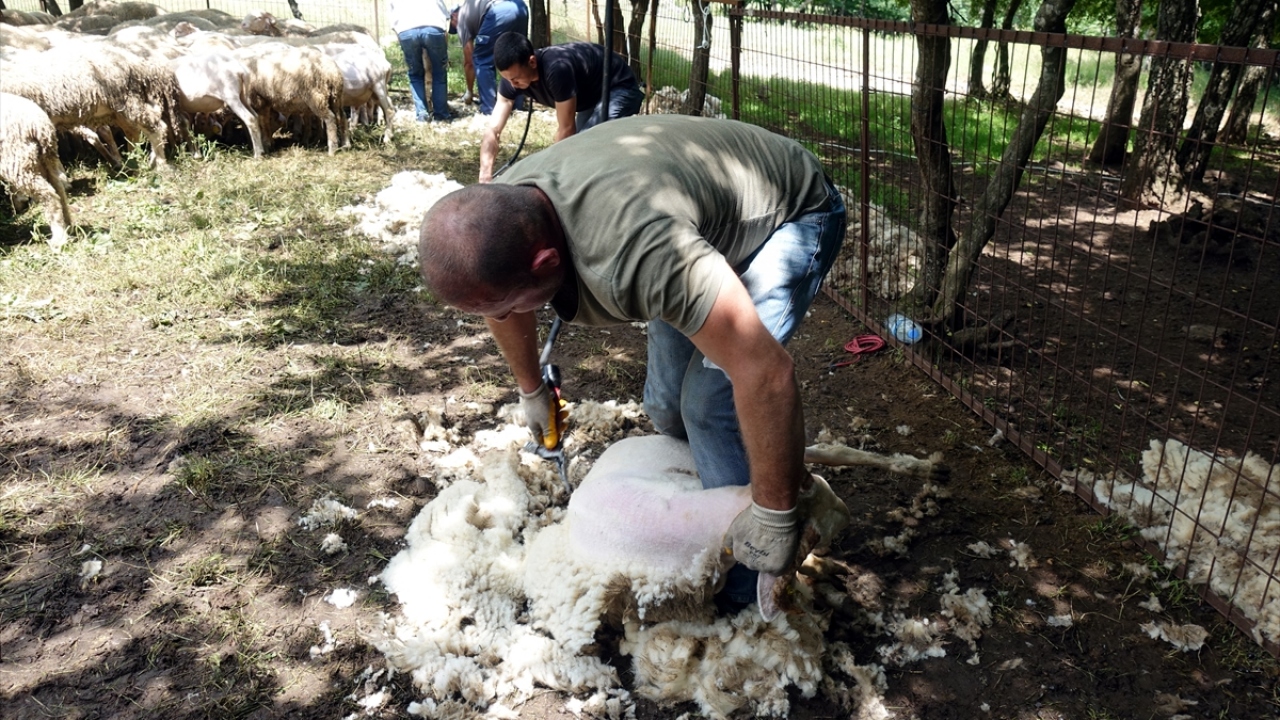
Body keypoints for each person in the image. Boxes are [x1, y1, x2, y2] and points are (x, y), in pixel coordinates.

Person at [418, 116, 847, 611]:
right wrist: (532, 389)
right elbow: (501, 303)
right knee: (666, 407)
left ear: (547, 265)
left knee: (710, 405)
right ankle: (723, 489)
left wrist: (774, 518)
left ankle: (744, 576)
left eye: (508, 306)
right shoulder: (503, 213)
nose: (503, 318)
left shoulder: (637, 257)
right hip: (688, 218)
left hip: (788, 210)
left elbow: (766, 373)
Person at [478, 33, 645, 182]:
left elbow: (566, 129)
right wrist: (485, 174)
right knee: (577, 148)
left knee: (584, 144)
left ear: (532, 62)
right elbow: (493, 130)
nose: (512, 85)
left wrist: (543, 174)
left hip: (619, 87)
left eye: (515, 79)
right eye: (506, 79)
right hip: (591, 95)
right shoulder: (511, 80)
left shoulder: (556, 69)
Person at [451, 0, 529, 116]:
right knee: (516, 55)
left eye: (453, 27)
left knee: (482, 59)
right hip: (520, 6)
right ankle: (517, 105)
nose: (456, 30)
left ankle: (489, 109)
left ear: (454, 16)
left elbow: (469, 61)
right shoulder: (472, 7)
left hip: (497, 11)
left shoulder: (461, 18)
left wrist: (469, 91)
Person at [389, 0, 454, 122]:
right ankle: (441, 115)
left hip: (406, 31)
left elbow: (393, 25)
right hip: (434, 28)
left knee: (415, 74)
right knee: (439, 72)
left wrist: (404, 45)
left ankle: (422, 114)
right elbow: (445, 18)